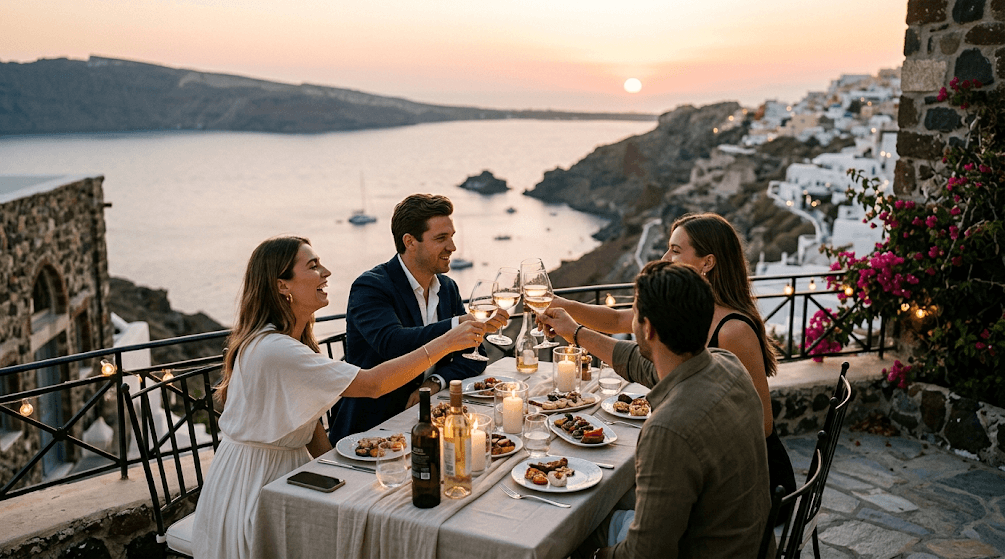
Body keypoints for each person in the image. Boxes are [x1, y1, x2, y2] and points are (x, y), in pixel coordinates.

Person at [192, 236, 485, 559]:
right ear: (281, 285)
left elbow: (308, 418)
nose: (326, 272)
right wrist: (445, 342)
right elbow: (373, 384)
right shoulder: (277, 350)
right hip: (256, 482)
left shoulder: (280, 341)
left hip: (285, 469)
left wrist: (338, 471)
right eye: (313, 266)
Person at [541, 212, 795, 501]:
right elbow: (615, 321)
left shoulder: (733, 329)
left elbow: (762, 424)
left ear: (707, 262)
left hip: (753, 482)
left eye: (675, 250)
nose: (664, 257)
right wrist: (564, 306)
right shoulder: (684, 311)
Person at [573, 260, 770, 558]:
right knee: (594, 514)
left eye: (635, 314)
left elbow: (648, 554)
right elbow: (644, 365)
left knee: (575, 534)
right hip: (748, 543)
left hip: (705, 550)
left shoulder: (668, 429)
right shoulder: (727, 365)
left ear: (648, 328)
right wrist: (575, 333)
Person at [328, 193, 507, 442]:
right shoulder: (371, 286)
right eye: (441, 238)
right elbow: (392, 343)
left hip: (431, 421)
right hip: (373, 429)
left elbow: (475, 358)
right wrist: (456, 327)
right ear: (410, 242)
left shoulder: (447, 287)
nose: (452, 248)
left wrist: (434, 383)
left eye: (452, 237)